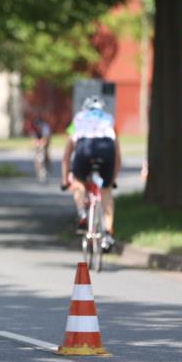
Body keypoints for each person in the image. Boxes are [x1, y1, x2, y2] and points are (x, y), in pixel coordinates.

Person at [60, 96, 122, 252]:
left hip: (85, 148)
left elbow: (67, 154)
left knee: (79, 181)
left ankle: (82, 213)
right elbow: (118, 155)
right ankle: (108, 233)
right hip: (106, 148)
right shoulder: (109, 120)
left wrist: (66, 180)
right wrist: (112, 179)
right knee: (106, 190)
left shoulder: (78, 120)